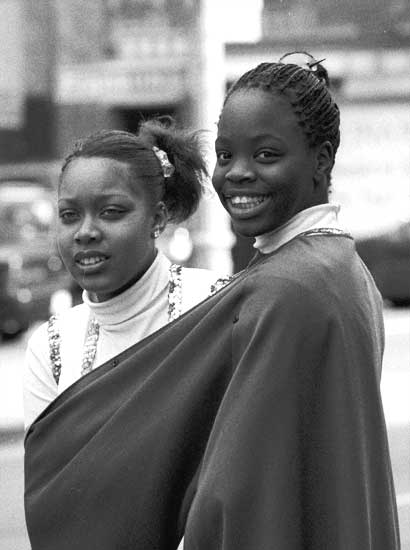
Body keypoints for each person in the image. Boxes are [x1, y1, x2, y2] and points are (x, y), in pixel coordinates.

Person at [24, 54, 400, 550]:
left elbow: (236, 495)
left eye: (266, 155)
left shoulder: (284, 289)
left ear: (322, 159)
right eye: (225, 156)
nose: (237, 175)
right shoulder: (340, 269)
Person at [23, 118, 223, 429]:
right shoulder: (53, 346)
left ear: (157, 218)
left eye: (111, 212)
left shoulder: (218, 308)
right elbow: (49, 474)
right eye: (69, 215)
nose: (85, 232)